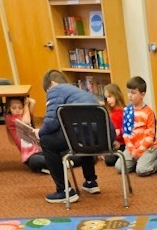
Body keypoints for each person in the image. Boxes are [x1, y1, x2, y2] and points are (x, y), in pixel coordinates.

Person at [38, 69, 109, 204]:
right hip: (102, 139)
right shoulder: (82, 92)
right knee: (82, 134)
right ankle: (90, 181)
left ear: (52, 84)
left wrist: (39, 132)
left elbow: (51, 123)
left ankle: (64, 191)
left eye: (47, 92)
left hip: (81, 138)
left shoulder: (55, 90)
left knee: (46, 141)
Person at [115, 75, 157, 177]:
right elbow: (126, 133)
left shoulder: (149, 112)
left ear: (142, 95)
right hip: (132, 148)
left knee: (142, 171)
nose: (129, 95)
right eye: (128, 92)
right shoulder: (127, 110)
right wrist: (131, 149)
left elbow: (150, 136)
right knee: (119, 167)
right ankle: (139, 162)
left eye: (133, 93)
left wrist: (139, 151)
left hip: (147, 148)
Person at [4, 96, 47, 173]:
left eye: (20, 108)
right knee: (35, 161)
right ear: (9, 109)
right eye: (14, 108)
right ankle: (58, 164)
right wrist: (26, 105)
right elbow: (26, 122)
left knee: (55, 151)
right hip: (30, 155)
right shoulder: (9, 118)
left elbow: (33, 101)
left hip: (39, 149)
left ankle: (56, 164)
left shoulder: (25, 114)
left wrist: (25, 101)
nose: (17, 110)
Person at [103, 83, 125, 167]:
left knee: (110, 160)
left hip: (123, 144)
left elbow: (129, 130)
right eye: (106, 98)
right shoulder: (109, 112)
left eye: (110, 96)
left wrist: (119, 132)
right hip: (112, 142)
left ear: (117, 95)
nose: (108, 100)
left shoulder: (124, 112)